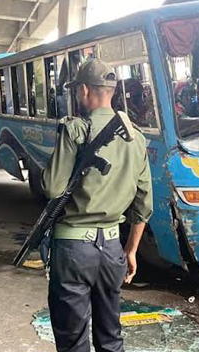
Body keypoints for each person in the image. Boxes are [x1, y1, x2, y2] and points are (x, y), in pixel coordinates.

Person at [42, 58, 153, 352]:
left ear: (84, 91)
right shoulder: (137, 138)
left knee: (73, 340)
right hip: (113, 249)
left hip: (74, 250)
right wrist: (130, 250)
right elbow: (143, 204)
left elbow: (52, 187)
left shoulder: (75, 130)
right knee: (111, 336)